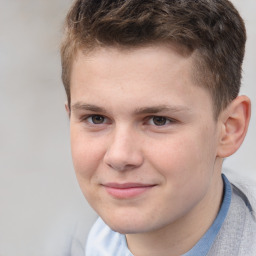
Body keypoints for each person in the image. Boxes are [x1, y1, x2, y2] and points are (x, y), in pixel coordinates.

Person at [60, 0, 256, 255]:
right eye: (96, 118)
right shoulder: (78, 241)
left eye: (158, 120)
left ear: (230, 128)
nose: (119, 156)